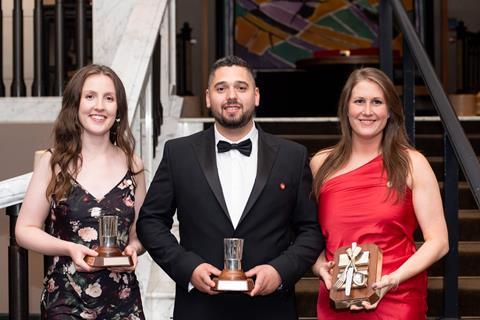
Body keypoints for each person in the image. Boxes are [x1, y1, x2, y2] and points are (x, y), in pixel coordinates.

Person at [136, 55, 324, 320]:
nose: (231, 96)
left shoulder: (292, 156)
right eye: (221, 88)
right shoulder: (179, 154)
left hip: (271, 309)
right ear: (208, 98)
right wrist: (188, 267)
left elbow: (311, 230)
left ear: (256, 95)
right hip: (199, 309)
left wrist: (280, 271)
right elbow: (150, 222)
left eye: (241, 87)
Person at [310, 67, 449, 319]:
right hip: (337, 298)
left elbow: (438, 242)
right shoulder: (321, 164)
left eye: (377, 102)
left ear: (390, 112)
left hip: (398, 296)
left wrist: (392, 279)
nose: (367, 111)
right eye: (359, 101)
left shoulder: (412, 163)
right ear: (346, 108)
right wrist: (320, 267)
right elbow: (308, 234)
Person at [15, 64, 146, 319]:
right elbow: (24, 230)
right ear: (75, 105)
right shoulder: (54, 163)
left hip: (123, 301)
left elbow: (139, 234)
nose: (99, 106)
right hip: (66, 298)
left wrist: (134, 248)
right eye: (90, 96)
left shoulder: (134, 165)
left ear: (118, 109)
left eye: (109, 98)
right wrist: (69, 248)